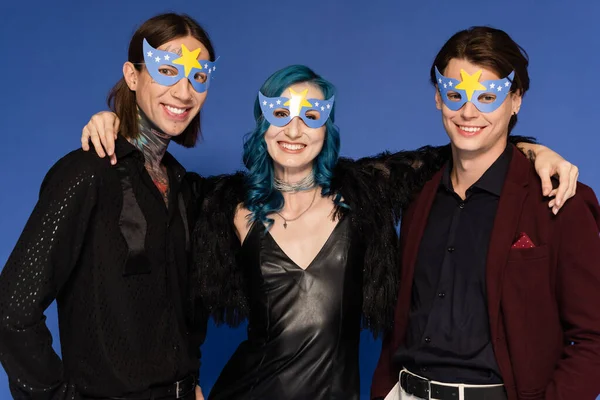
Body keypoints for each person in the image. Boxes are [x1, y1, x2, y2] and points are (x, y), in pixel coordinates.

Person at [82, 63, 577, 399]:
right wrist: (117, 121)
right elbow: (156, 189)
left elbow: (460, 152)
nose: (294, 130)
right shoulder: (221, 204)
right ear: (262, 124)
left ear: (326, 128)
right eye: (280, 113)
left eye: (310, 116)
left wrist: (534, 152)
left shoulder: (364, 192)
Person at [371, 26, 600, 400]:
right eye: (455, 94)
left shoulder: (559, 201)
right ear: (438, 99)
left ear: (516, 100)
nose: (468, 111)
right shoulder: (415, 194)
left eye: (487, 97)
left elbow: (594, 339)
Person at [0, 13, 219, 400]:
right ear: (133, 77)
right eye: (167, 70)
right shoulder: (87, 174)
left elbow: (184, 313)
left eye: (198, 77)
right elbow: (12, 310)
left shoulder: (186, 189)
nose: (184, 93)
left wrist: (191, 382)